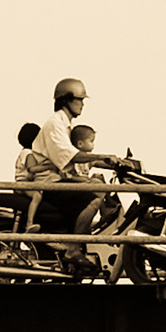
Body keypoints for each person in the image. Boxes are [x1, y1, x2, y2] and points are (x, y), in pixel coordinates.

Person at [28, 78, 121, 270]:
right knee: (93, 198)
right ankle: (73, 249)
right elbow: (72, 156)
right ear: (67, 100)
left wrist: (116, 163)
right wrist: (105, 156)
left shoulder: (64, 125)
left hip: (58, 180)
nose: (82, 104)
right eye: (79, 99)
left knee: (96, 185)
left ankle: (83, 240)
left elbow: (84, 159)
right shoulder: (55, 123)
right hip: (49, 183)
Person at [24, 123, 99, 234]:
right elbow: (32, 170)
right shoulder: (30, 154)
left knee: (96, 181)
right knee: (91, 200)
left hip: (52, 183)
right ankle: (29, 223)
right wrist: (51, 166)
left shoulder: (42, 154)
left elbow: (98, 162)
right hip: (48, 185)